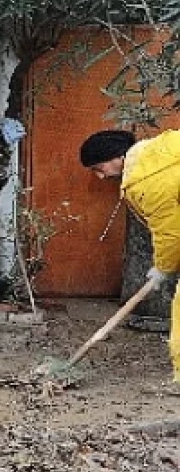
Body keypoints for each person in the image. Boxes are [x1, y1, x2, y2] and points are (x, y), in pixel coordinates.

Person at [80, 129, 180, 383]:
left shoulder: (146, 181)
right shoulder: (162, 148)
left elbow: (170, 231)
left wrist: (162, 268)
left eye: (98, 167)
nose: (100, 177)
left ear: (116, 157)